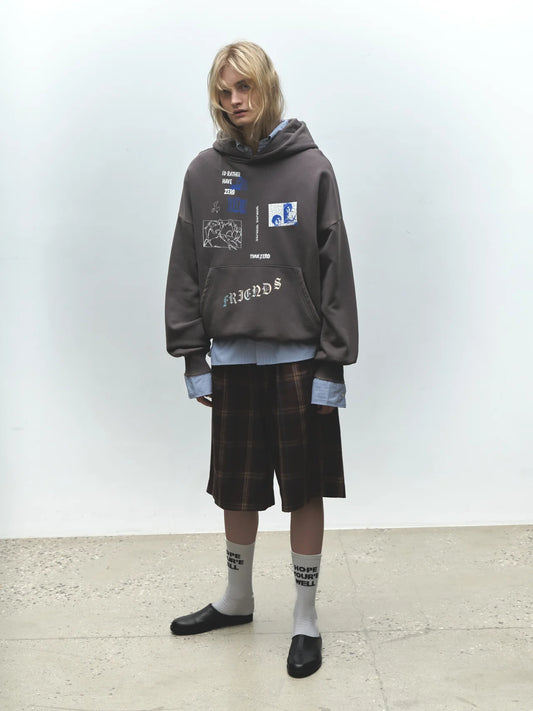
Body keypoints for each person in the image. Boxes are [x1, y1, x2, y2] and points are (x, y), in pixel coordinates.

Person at [165, 40, 358, 679]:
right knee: (236, 484)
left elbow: (336, 272)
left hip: (300, 357)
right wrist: (192, 354)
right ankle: (237, 598)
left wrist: (332, 364)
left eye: (244, 86)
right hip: (231, 358)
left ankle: (305, 615)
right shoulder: (203, 172)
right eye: (223, 91)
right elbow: (186, 265)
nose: (234, 100)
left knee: (305, 488)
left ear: (266, 86)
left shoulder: (312, 169)